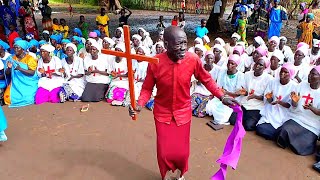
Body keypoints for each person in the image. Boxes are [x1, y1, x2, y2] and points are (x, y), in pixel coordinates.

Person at [128, 26, 238, 180]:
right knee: (164, 151)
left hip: (183, 112)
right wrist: (139, 104)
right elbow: (147, 88)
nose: (183, 48)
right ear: (166, 45)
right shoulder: (155, 62)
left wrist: (221, 96)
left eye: (185, 43)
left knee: (182, 152)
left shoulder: (192, 60)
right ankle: (165, 176)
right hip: (162, 113)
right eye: (178, 44)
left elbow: (206, 79)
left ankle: (180, 175)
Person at [276, 66, 320, 156]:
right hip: (297, 117)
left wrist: (312, 108)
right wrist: (294, 101)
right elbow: (294, 105)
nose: (309, 76)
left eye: (313, 74)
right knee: (284, 130)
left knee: (304, 145)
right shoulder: (302, 85)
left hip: (311, 124)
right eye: (310, 73)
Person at [256, 63, 297, 140]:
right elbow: (269, 100)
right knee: (260, 128)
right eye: (281, 71)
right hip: (271, 109)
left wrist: (279, 102)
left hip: (284, 112)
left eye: (285, 72)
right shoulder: (273, 82)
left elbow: (291, 106)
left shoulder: (294, 86)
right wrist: (269, 97)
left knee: (280, 128)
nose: (282, 73)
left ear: (290, 74)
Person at [206, 54, 245, 125]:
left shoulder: (240, 75)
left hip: (232, 99)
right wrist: (224, 93)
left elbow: (237, 94)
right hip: (221, 96)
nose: (229, 65)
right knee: (209, 107)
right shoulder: (222, 71)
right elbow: (219, 87)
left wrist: (227, 93)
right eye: (229, 63)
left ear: (237, 65)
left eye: (232, 64)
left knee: (224, 114)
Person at [240, 57, 273, 131]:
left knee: (248, 125)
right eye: (257, 63)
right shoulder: (247, 74)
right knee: (233, 120)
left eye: (260, 65)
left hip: (257, 106)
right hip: (246, 103)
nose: (257, 66)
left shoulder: (269, 79)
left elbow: (266, 97)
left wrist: (255, 96)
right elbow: (244, 89)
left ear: (265, 67)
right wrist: (243, 92)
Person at [4, 40, 39, 107]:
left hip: (28, 83)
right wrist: (9, 68)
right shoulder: (11, 58)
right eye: (14, 48)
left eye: (17, 48)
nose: (15, 49)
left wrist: (20, 69)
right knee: (7, 98)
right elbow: (7, 73)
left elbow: (32, 72)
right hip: (16, 84)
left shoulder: (30, 58)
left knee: (28, 98)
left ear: (23, 49)